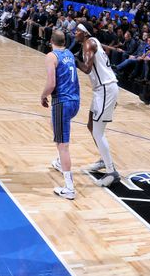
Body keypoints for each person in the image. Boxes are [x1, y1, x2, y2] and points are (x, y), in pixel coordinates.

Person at [72, 22, 120, 187]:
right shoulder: (93, 41)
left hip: (105, 89)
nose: (75, 32)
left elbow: (86, 68)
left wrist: (73, 59)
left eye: (78, 30)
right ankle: (103, 159)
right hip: (104, 89)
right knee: (91, 125)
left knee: (98, 132)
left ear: (85, 33)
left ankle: (111, 171)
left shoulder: (89, 43)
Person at [40, 30, 80, 200]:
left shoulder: (51, 56)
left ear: (51, 41)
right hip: (75, 101)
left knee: (63, 145)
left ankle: (69, 188)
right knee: (54, 126)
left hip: (62, 102)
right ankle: (59, 161)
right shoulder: (69, 53)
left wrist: (43, 95)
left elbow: (51, 83)